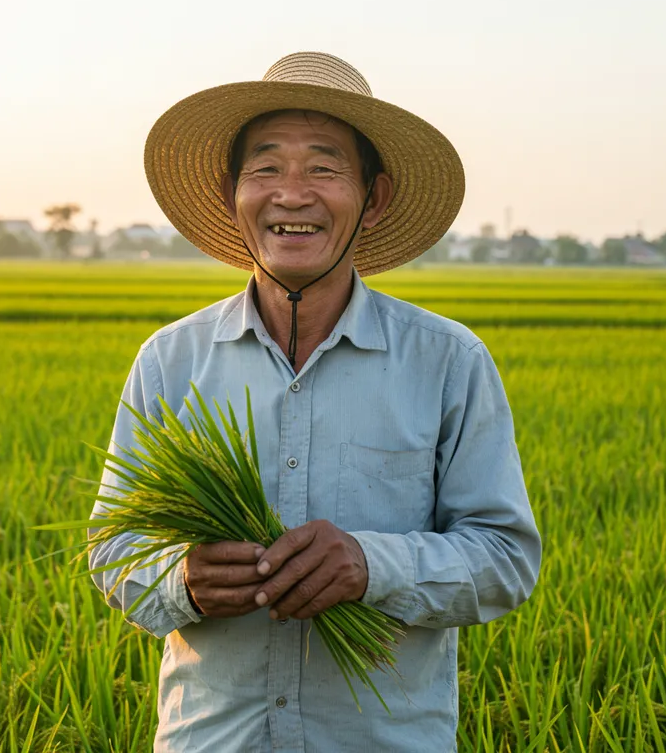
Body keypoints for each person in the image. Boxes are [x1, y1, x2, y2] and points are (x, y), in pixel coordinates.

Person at [89, 51, 542, 752]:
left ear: (375, 199)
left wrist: (371, 565)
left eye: (324, 168)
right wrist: (183, 580)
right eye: (265, 167)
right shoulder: (172, 362)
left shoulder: (447, 363)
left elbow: (505, 558)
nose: (291, 194)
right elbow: (114, 549)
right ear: (230, 193)